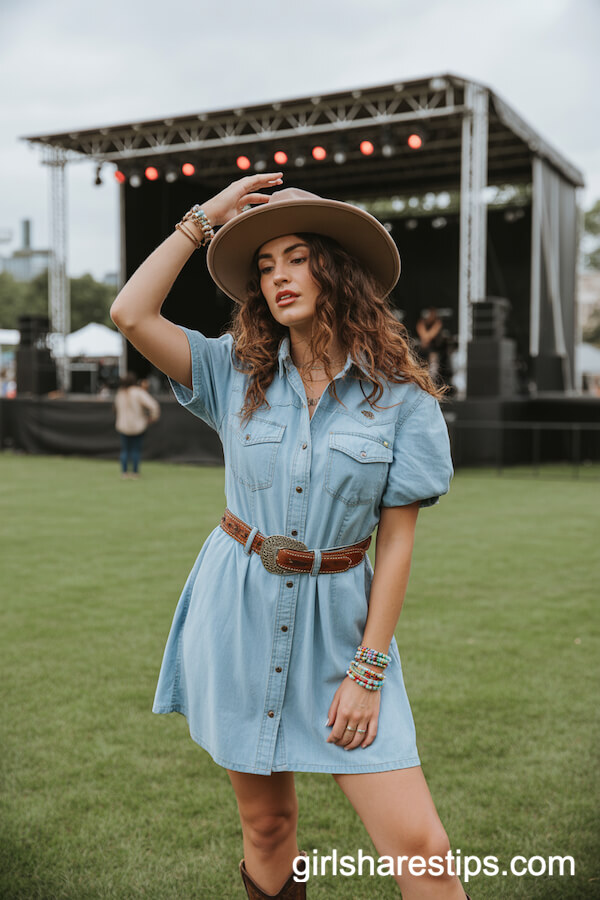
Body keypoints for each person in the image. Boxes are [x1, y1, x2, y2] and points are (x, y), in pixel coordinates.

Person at [110, 175, 471, 900]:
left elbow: (396, 545)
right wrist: (203, 220)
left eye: (296, 257)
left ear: (335, 267)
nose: (277, 277)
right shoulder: (231, 371)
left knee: (423, 849)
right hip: (237, 609)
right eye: (264, 265)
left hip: (342, 629)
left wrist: (367, 674)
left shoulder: (402, 399)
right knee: (267, 825)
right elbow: (130, 311)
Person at [113, 372, 160, 478]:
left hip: (123, 426)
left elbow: (115, 408)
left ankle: (124, 472)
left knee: (125, 450)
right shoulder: (138, 392)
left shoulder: (120, 393)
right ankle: (135, 472)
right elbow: (153, 405)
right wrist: (152, 418)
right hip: (138, 425)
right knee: (135, 450)